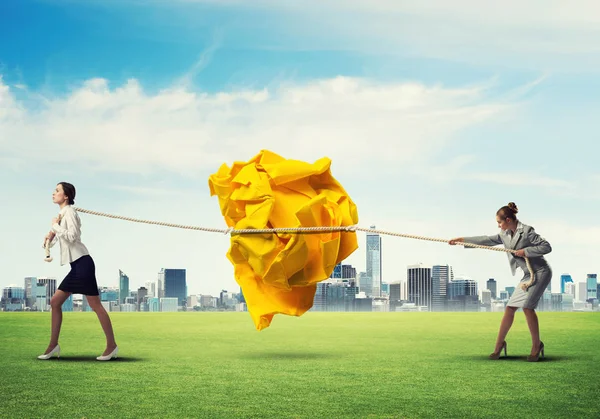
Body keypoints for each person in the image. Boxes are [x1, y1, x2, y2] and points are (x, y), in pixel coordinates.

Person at [449, 202, 552, 362]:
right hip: (527, 275)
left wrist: (526, 251)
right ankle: (499, 345)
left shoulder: (527, 231)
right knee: (510, 308)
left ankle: (536, 345)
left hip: (540, 273)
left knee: (527, 308)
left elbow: (546, 247)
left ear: (509, 220)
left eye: (499, 222)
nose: (498, 226)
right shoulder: (504, 234)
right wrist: (461, 240)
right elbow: (486, 239)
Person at [38, 182, 119, 361]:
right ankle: (53, 346)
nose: (53, 193)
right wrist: (48, 240)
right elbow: (62, 239)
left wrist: (55, 226)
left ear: (66, 196)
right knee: (55, 302)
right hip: (76, 266)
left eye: (57, 190)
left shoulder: (70, 212)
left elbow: (73, 236)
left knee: (95, 305)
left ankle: (111, 346)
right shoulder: (61, 215)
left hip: (83, 264)